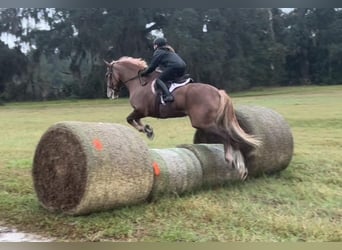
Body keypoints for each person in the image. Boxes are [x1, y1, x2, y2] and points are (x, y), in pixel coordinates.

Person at [140, 37, 186, 103]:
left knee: (159, 80)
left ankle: (168, 96)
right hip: (182, 66)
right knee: (170, 80)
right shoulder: (168, 51)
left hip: (174, 67)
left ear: (156, 45)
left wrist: (144, 73)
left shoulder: (158, 52)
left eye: (154, 45)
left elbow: (152, 66)